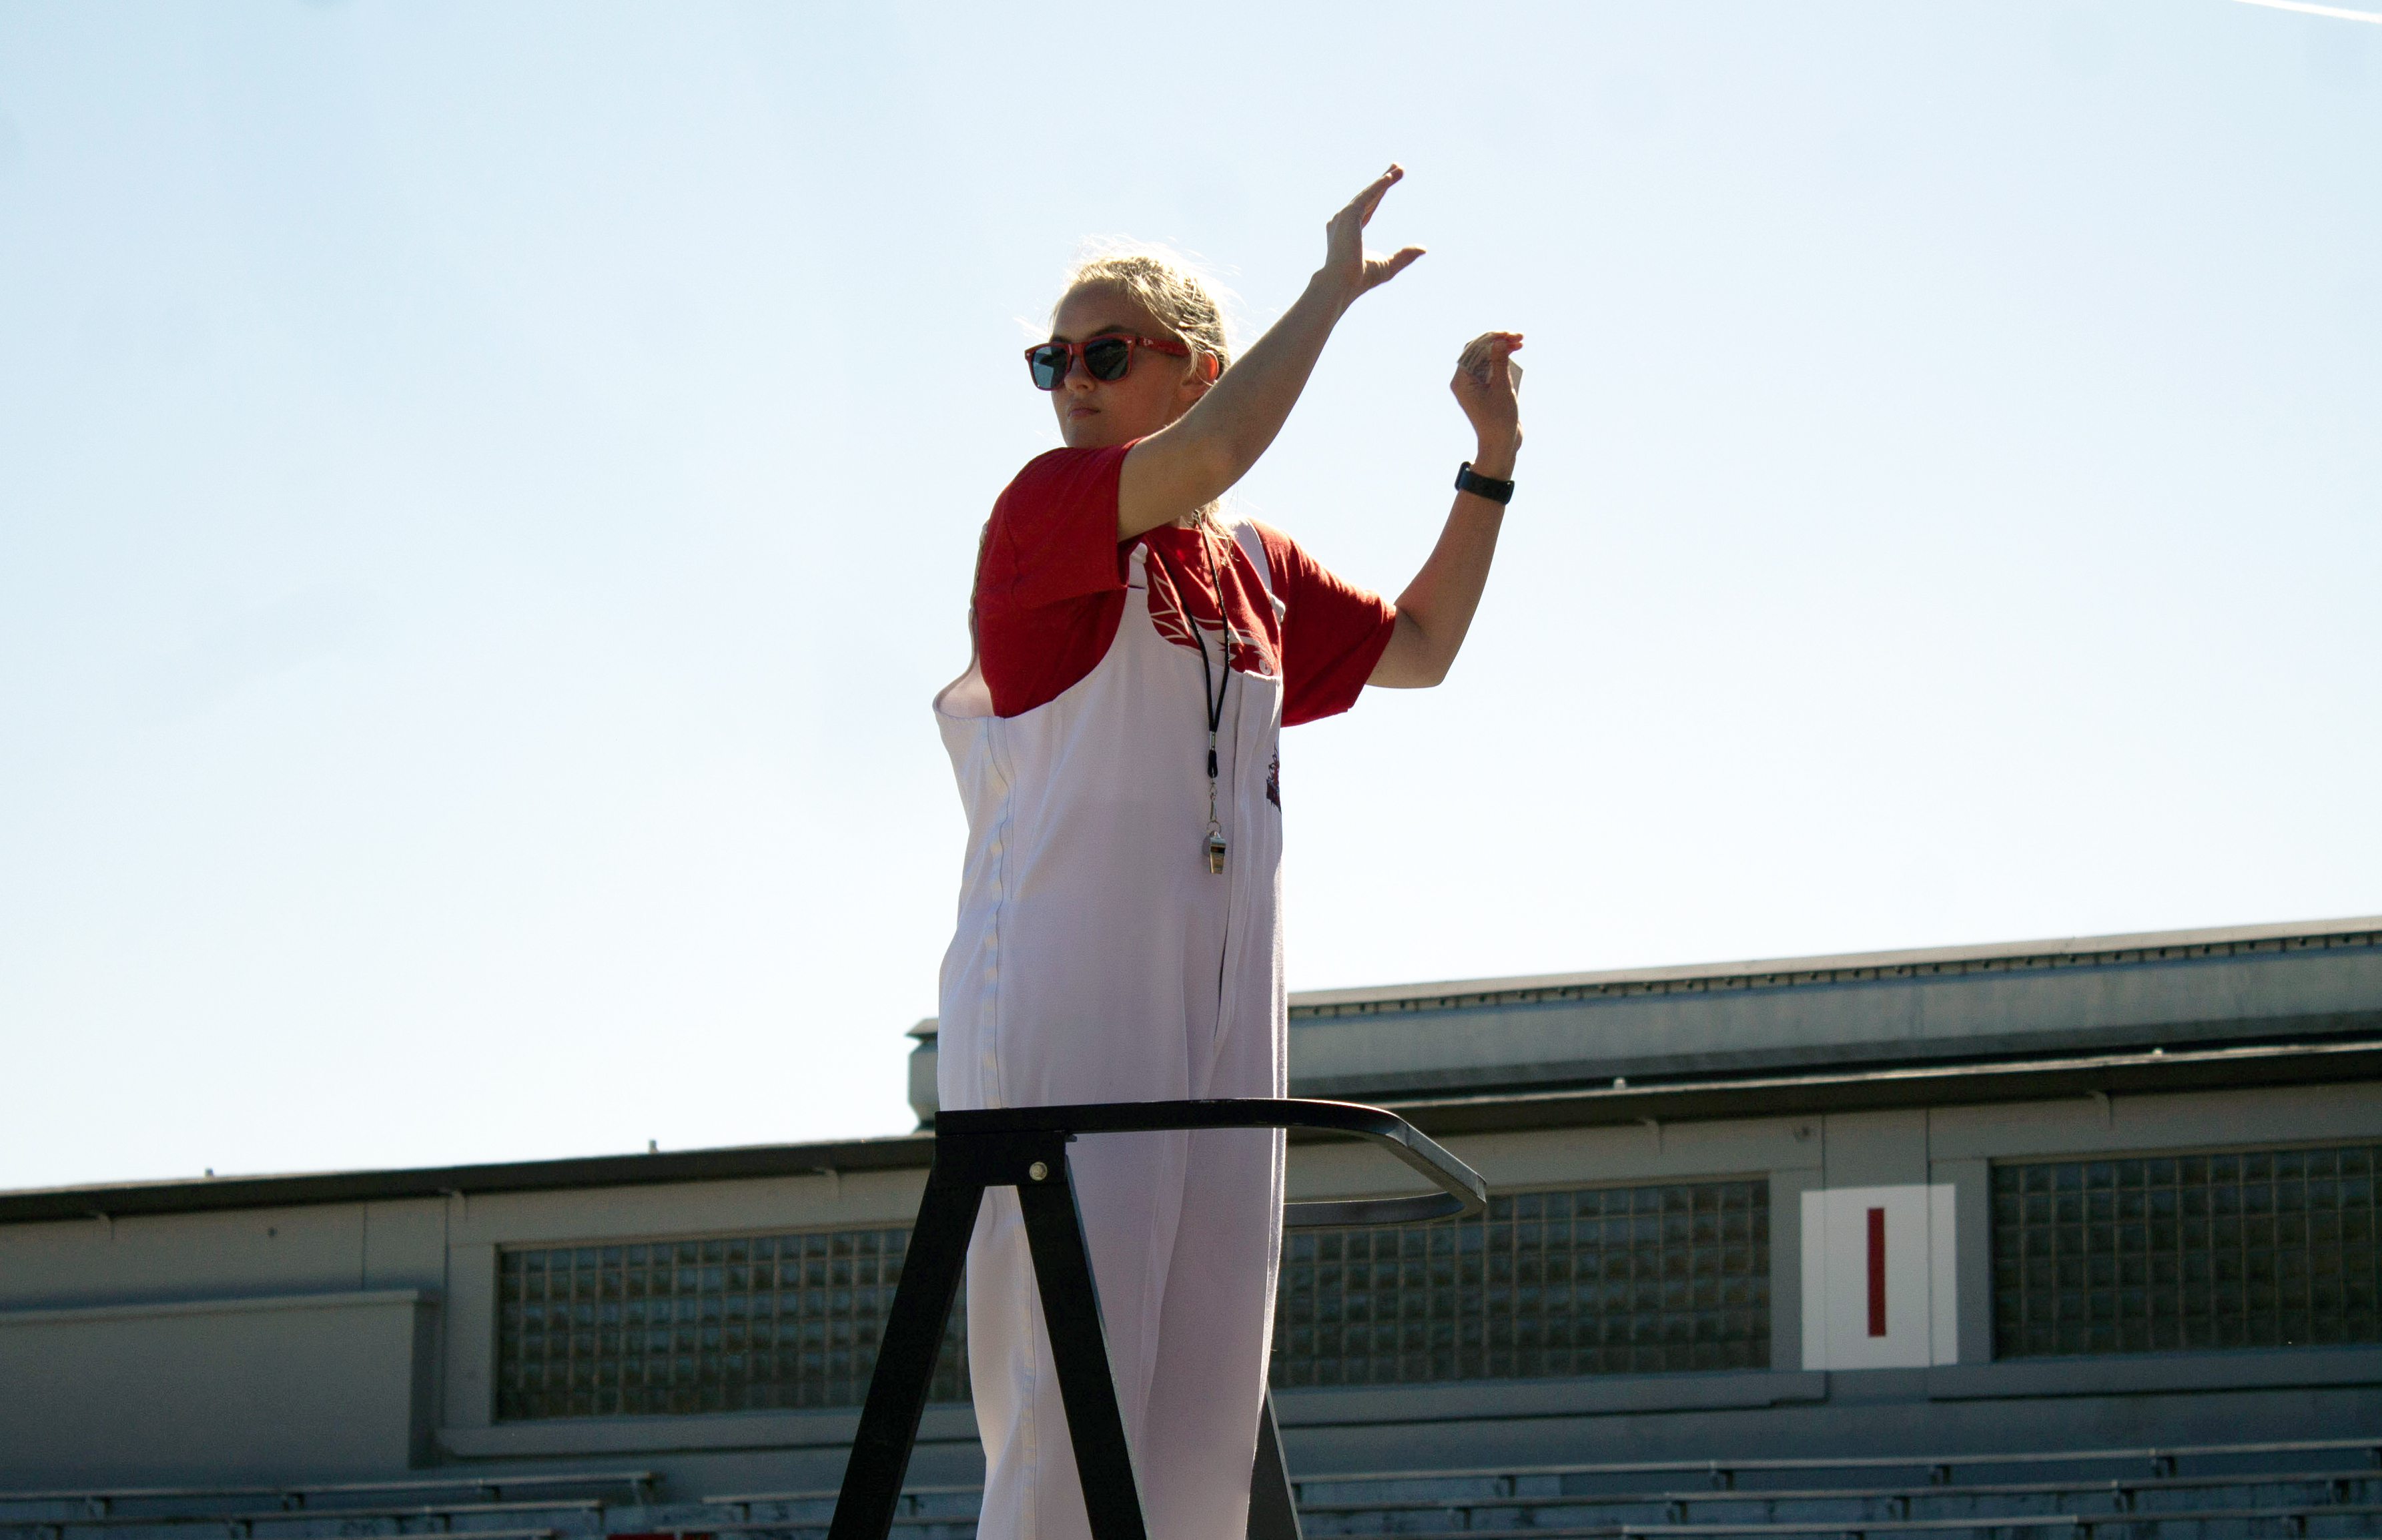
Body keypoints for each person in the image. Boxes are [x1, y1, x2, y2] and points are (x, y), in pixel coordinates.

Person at [933, 165, 1523, 1540]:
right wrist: (1330, 294)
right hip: (1071, 987)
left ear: (1193, 366)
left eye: (1106, 354)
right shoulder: (1045, 509)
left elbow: (1421, 650)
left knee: (1204, 1406)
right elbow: (1208, 458)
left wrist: (1490, 460)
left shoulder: (1251, 566)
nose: (1072, 383)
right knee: (1072, 1400)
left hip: (1227, 1002)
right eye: (1054, 360)